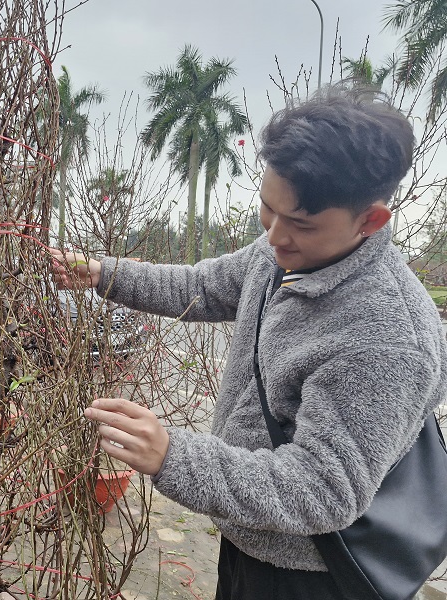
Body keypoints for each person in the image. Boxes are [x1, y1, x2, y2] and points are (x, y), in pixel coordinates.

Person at [51, 89, 447, 599]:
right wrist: (104, 273)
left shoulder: (385, 338)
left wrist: (173, 455)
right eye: (267, 209)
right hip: (250, 535)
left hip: (311, 574)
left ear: (370, 220)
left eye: (301, 223)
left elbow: (324, 489)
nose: (276, 236)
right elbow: (201, 288)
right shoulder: (282, 250)